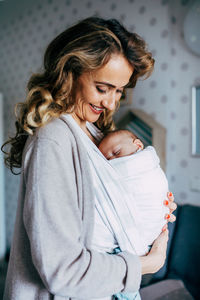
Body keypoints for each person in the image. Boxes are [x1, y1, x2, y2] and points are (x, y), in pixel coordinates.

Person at [1, 17, 176, 300]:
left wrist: (149, 207)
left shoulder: (95, 133)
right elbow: (62, 270)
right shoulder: (53, 140)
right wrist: (146, 264)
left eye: (119, 91)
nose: (110, 103)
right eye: (103, 88)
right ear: (70, 72)